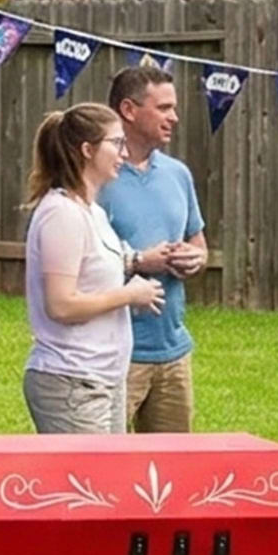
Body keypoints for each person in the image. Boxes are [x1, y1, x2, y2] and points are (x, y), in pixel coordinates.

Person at [20, 102, 158, 437]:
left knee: (109, 485)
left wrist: (137, 262)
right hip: (71, 381)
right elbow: (61, 304)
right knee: (86, 488)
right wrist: (129, 295)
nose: (124, 153)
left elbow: (91, 268)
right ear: (87, 149)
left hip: (104, 378)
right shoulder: (62, 214)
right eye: (116, 143)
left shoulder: (92, 212)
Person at [98, 64, 209, 432]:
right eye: (163, 108)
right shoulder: (97, 177)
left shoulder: (178, 174)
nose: (174, 117)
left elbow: (199, 243)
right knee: (104, 470)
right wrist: (140, 262)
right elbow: (75, 264)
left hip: (174, 351)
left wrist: (194, 259)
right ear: (129, 111)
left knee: (172, 470)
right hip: (116, 353)